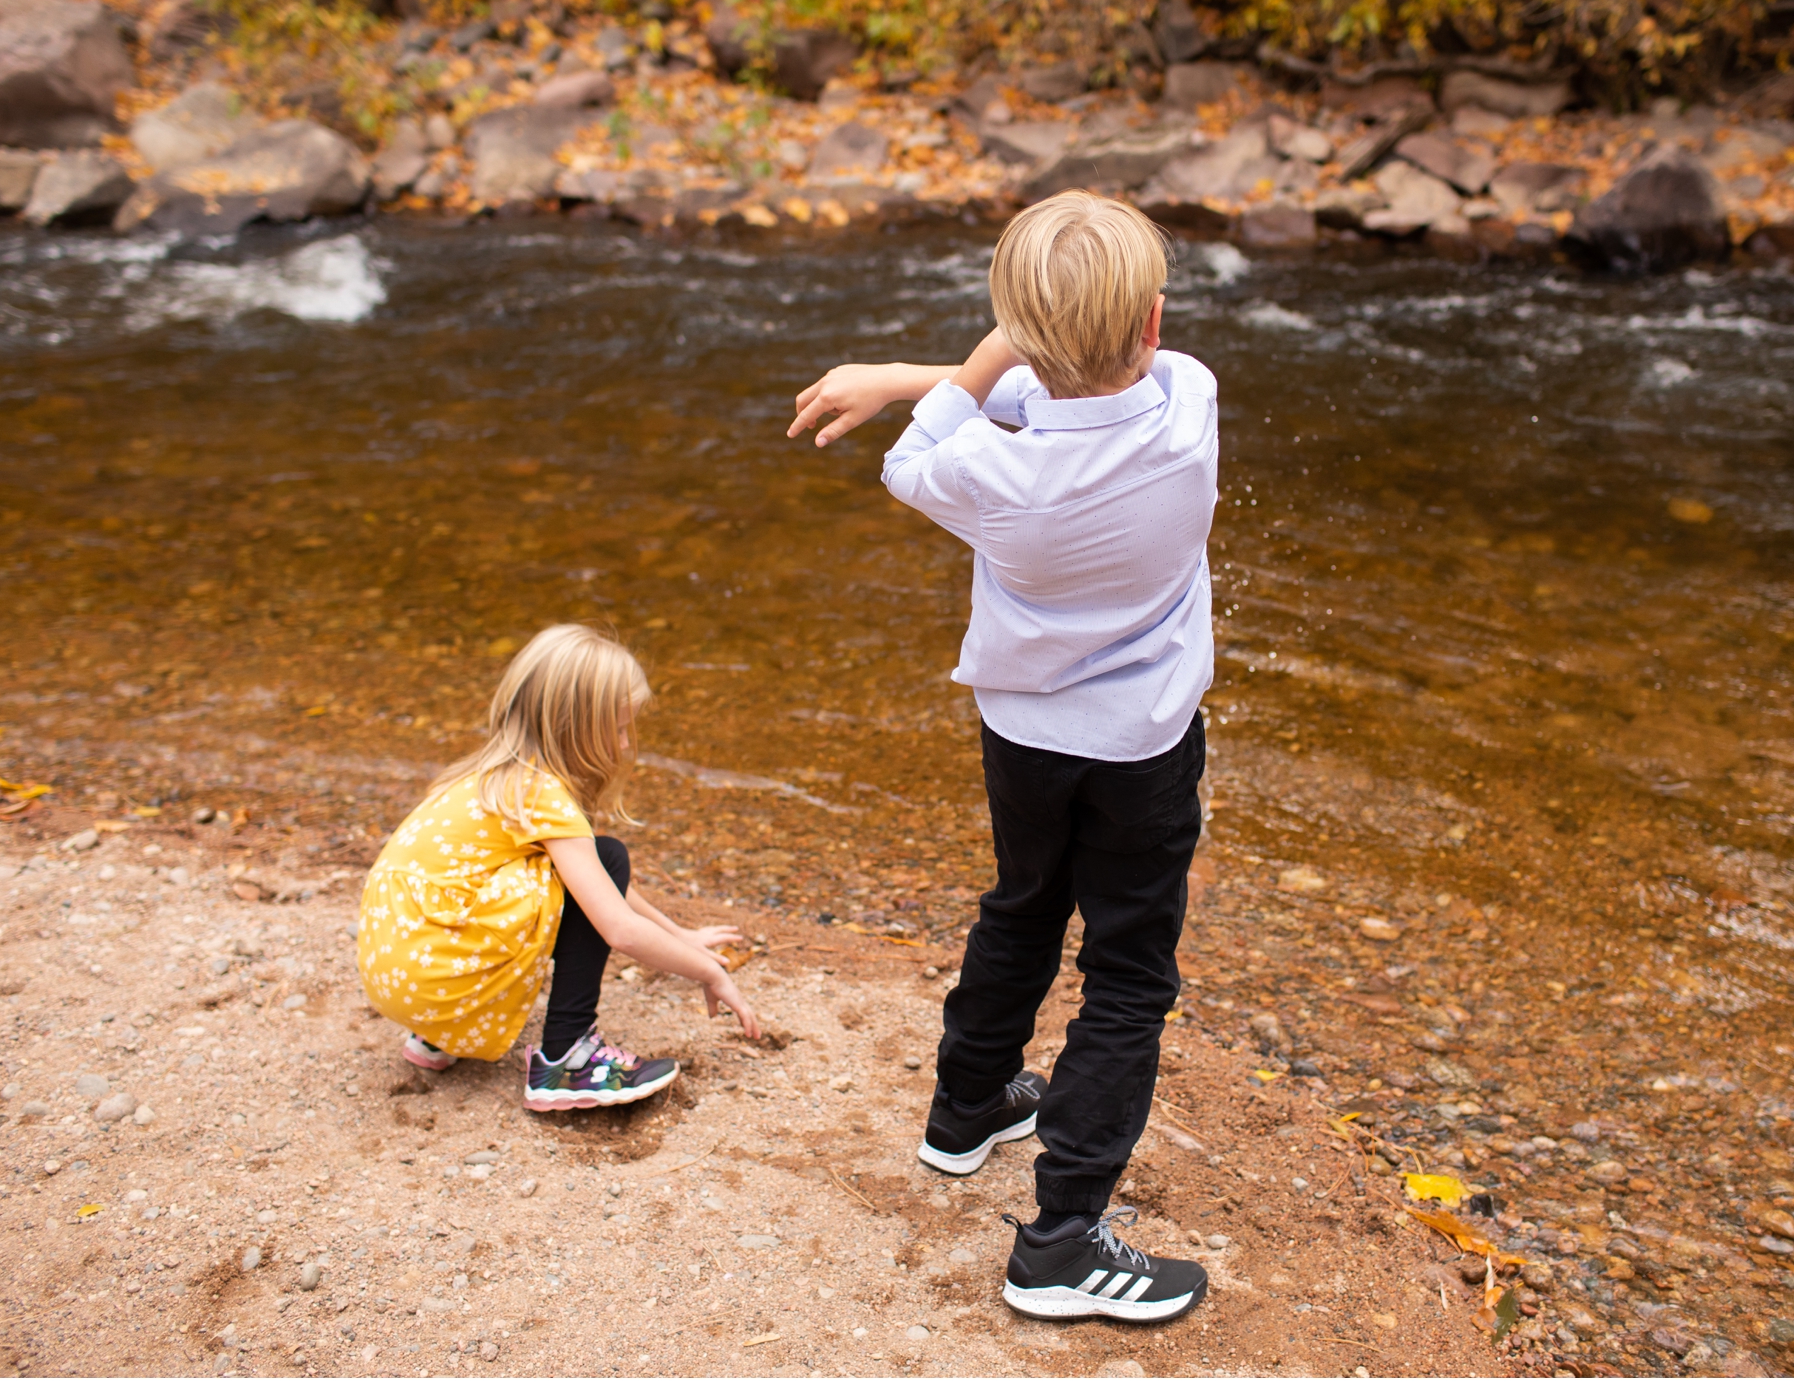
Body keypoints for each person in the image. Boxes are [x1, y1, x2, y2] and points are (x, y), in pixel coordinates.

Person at [788, 190, 1214, 1323]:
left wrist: (906, 374)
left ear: (1015, 327)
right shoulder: (1190, 408)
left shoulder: (972, 472)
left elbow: (966, 413)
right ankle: (1062, 1243)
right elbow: (1068, 370)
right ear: (1154, 326)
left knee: (1023, 904)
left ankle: (968, 1104)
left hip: (1023, 733)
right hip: (1142, 745)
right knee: (1127, 975)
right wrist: (977, 354)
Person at [357, 623, 760, 1111]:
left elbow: (596, 889)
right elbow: (618, 926)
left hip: (403, 977)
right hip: (443, 982)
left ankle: (436, 1037)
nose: (628, 744)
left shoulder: (486, 779)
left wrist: (680, 935)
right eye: (618, 727)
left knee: (584, 867)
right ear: (577, 728)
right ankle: (567, 1059)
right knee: (610, 854)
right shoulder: (541, 793)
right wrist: (705, 972)